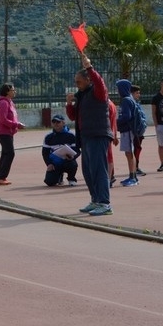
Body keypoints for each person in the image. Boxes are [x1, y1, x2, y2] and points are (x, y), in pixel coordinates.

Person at [66, 53, 114, 216]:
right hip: (85, 136)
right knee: (88, 171)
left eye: (79, 81)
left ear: (88, 80)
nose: (76, 84)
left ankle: (105, 203)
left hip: (98, 135)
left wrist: (89, 67)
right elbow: (73, 116)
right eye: (75, 82)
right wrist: (69, 104)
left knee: (99, 170)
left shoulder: (98, 91)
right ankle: (95, 200)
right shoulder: (82, 95)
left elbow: (100, 82)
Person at [0, 83, 26, 185]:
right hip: (3, 132)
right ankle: (1, 177)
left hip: (8, 132)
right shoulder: (3, 103)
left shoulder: (9, 102)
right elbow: (3, 119)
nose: (15, 92)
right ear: (7, 92)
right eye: (13, 90)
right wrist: (16, 124)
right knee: (10, 153)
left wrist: (16, 125)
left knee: (5, 154)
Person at [41, 114, 79, 187]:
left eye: (58, 122)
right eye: (54, 122)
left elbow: (77, 150)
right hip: (55, 163)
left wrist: (73, 157)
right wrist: (49, 164)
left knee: (73, 164)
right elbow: (45, 153)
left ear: (63, 123)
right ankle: (59, 176)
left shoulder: (71, 135)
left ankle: (71, 179)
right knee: (49, 182)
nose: (56, 124)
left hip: (68, 161)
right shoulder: (48, 137)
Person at [115, 79, 139, 186]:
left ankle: (132, 177)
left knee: (129, 153)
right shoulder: (129, 99)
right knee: (129, 153)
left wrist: (115, 122)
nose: (117, 91)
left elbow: (126, 116)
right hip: (128, 130)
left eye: (118, 88)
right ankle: (133, 176)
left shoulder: (126, 100)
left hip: (128, 130)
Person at [130, 85, 146, 176]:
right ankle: (135, 168)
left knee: (138, 149)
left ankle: (136, 167)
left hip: (139, 131)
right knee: (136, 149)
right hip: (135, 131)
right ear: (132, 93)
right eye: (137, 93)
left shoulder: (137, 103)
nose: (139, 95)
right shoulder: (132, 103)